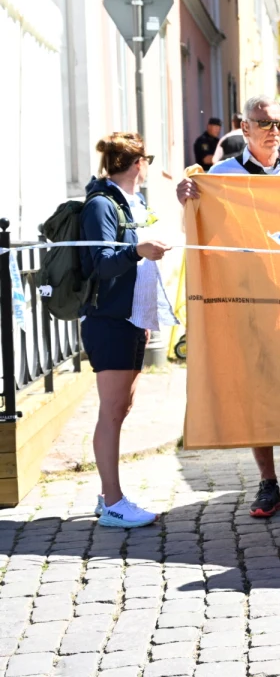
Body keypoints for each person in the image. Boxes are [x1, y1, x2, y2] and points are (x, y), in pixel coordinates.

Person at [176, 95, 280, 522]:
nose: (274, 131)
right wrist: (185, 197)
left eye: (279, 124)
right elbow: (201, 230)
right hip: (248, 300)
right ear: (245, 126)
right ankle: (269, 483)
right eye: (265, 123)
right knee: (257, 391)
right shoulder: (220, 176)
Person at [80, 133, 171, 528]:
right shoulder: (102, 203)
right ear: (139, 164)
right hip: (109, 321)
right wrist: (138, 250)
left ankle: (107, 496)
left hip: (131, 318)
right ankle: (114, 502)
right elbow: (99, 262)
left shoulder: (132, 203)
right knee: (112, 410)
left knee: (121, 409)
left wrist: (146, 317)